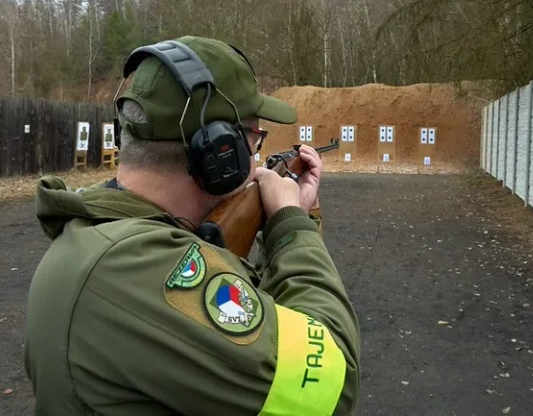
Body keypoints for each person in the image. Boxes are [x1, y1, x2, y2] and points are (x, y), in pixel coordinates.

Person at [23, 35, 361, 416]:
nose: (254, 162)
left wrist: (289, 217)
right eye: (253, 142)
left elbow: (265, 318)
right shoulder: (133, 266)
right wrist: (291, 225)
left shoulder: (100, 239)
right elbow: (329, 384)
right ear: (220, 153)